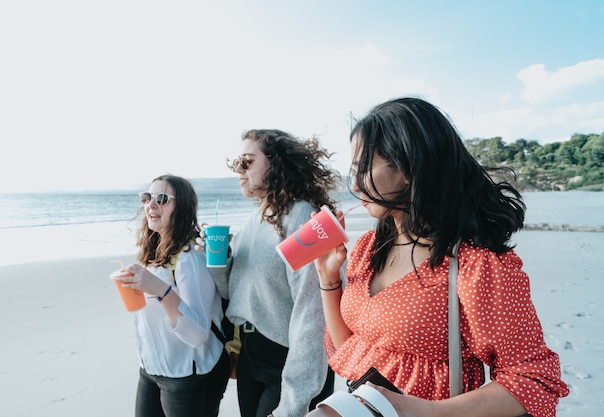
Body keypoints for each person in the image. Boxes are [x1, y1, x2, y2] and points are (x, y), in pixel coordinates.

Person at [311, 97, 570, 417]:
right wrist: (327, 277)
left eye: (364, 167)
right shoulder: (369, 248)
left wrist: (427, 411)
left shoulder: (476, 266)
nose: (353, 183)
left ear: (407, 165)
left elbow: (532, 378)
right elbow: (353, 349)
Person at [208, 129, 340, 417]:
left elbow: (313, 314)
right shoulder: (252, 222)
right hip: (249, 356)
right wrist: (218, 261)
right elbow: (233, 293)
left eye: (247, 161)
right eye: (236, 163)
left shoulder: (304, 218)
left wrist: (294, 403)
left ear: (276, 162)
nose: (239, 170)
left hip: (288, 360)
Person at [113, 174, 229, 417]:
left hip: (186, 374)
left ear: (182, 207)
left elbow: (197, 333)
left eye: (162, 199)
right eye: (147, 197)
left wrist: (160, 290)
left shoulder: (190, 258)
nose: (150, 205)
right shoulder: (153, 251)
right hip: (151, 367)